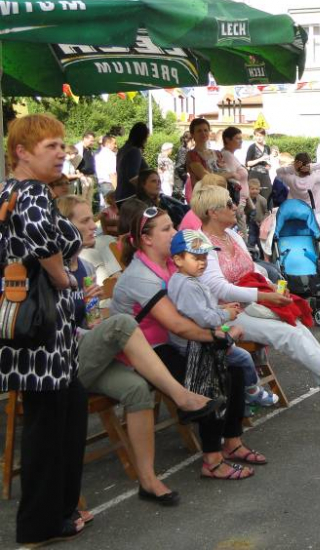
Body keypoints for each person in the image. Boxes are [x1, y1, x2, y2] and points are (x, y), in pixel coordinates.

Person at [57, 195, 217, 506]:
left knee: (137, 389)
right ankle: (182, 396)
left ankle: (148, 480)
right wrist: (80, 305)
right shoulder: (51, 269)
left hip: (85, 349)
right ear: (62, 227)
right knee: (121, 324)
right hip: (60, 360)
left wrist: (89, 312)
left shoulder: (85, 266)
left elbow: (88, 321)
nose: (96, 224)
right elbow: (49, 323)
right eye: (85, 221)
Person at [192, 184, 320, 424]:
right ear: (212, 212)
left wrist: (268, 284)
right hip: (226, 313)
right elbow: (217, 287)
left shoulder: (232, 236)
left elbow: (252, 267)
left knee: (297, 328)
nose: (235, 207)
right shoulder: (201, 243)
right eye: (229, 204)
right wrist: (262, 296)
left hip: (249, 302)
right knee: (290, 333)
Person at [112, 204, 262, 480]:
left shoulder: (173, 262)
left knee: (235, 368)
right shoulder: (141, 275)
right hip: (145, 351)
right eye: (167, 228)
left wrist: (221, 332)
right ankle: (212, 460)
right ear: (146, 239)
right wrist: (222, 336)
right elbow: (178, 325)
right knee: (209, 376)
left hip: (172, 343)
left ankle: (232, 442)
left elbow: (195, 306)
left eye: (173, 225)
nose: (175, 231)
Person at [0, 115, 88, 545]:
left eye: (62, 145)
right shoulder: (31, 193)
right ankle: (42, 522)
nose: (61, 152)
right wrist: (60, 275)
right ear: (22, 151)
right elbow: (40, 237)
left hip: (30, 328)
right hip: (44, 331)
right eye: (51, 146)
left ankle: (58, 513)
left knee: (60, 416)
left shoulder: (9, 192)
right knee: (49, 428)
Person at [167, 229, 278, 413]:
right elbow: (204, 318)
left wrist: (222, 309)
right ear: (178, 259)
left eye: (204, 257)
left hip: (195, 339)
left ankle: (239, 401)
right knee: (242, 357)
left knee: (234, 353)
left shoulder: (181, 280)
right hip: (198, 344)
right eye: (196, 258)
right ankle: (251, 392)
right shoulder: (188, 285)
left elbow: (197, 311)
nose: (202, 262)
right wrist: (227, 315)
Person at [275, 152, 320, 227]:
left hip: (296, 214)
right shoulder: (317, 177)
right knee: (316, 237)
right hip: (314, 214)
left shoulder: (291, 179)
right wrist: (312, 167)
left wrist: (294, 168)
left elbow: (278, 171)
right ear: (309, 163)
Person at [220, 126, 251, 237]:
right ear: (228, 140)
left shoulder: (231, 155)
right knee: (241, 234)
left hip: (240, 201)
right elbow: (231, 180)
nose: (241, 141)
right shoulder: (227, 155)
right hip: (236, 202)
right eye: (237, 138)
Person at [115, 122, 151, 206]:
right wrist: (148, 189)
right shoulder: (134, 151)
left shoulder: (123, 149)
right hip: (131, 197)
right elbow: (133, 177)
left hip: (121, 196)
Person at [185, 117, 219, 203]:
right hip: (203, 199)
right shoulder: (192, 155)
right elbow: (206, 177)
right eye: (199, 131)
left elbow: (224, 172)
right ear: (193, 135)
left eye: (205, 130)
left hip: (219, 196)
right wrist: (232, 174)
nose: (203, 133)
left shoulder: (217, 153)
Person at [94, 134, 117, 205]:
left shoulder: (98, 154)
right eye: (114, 143)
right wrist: (116, 188)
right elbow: (112, 173)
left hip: (101, 182)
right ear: (108, 143)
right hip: (109, 183)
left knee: (103, 205)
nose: (115, 145)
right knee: (111, 207)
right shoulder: (110, 154)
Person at [173, 131, 193, 202]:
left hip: (180, 181)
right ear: (190, 140)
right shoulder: (183, 150)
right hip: (179, 181)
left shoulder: (185, 149)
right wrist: (187, 177)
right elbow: (179, 166)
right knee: (178, 199)